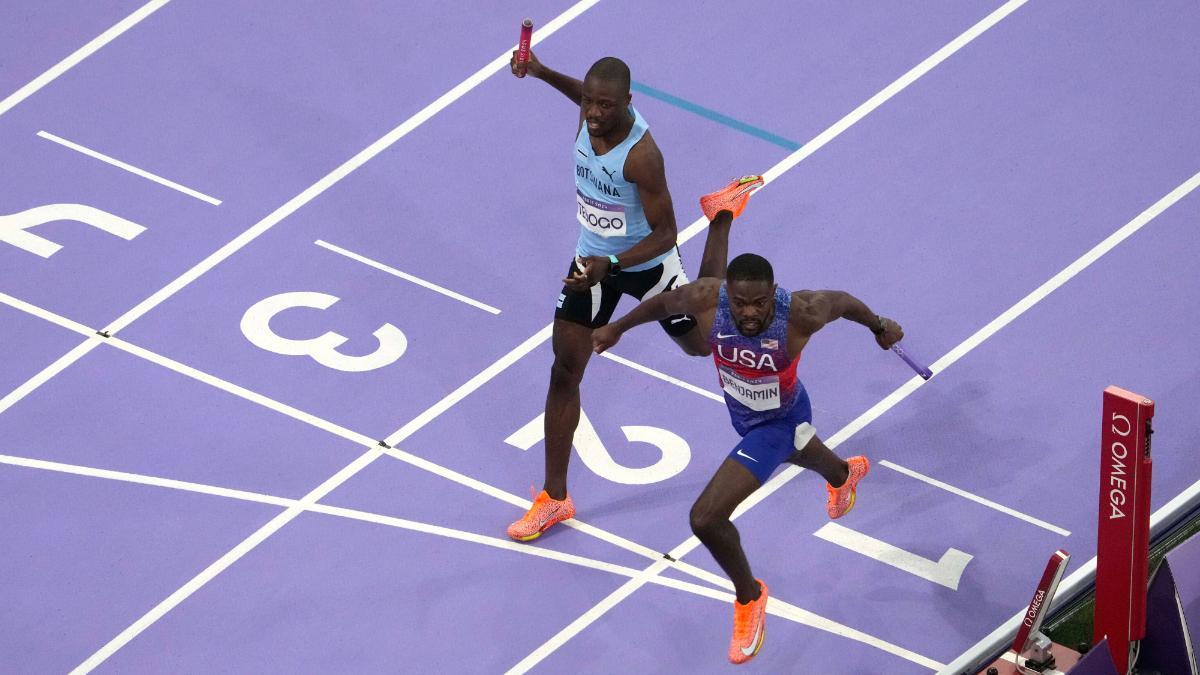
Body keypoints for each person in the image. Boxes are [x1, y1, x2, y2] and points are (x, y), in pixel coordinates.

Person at [590, 187, 905, 663]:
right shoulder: (708, 297)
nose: (751, 313)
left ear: (773, 294)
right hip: (747, 414)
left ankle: (749, 596)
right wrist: (618, 328)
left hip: (778, 419)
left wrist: (881, 326)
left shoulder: (800, 312)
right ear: (728, 298)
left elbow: (842, 301)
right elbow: (662, 304)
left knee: (705, 518)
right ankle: (844, 474)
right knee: (800, 447)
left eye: (760, 303)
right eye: (741, 304)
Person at [504, 51, 759, 542]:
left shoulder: (642, 156)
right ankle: (554, 498)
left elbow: (666, 232)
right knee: (564, 370)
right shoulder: (589, 111)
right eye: (589, 103)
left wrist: (616, 265)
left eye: (604, 106)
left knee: (702, 345)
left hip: (646, 265)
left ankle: (722, 214)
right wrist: (537, 71)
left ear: (627, 103)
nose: (594, 113)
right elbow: (579, 92)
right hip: (590, 259)